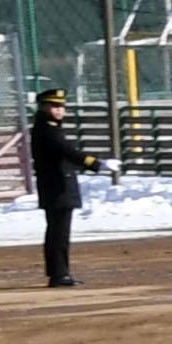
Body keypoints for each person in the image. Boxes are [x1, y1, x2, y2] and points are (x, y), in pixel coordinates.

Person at [27, 85, 101, 287]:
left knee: (58, 232)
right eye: (54, 106)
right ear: (43, 107)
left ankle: (60, 272)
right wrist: (94, 163)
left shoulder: (49, 127)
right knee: (59, 234)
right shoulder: (47, 129)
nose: (59, 110)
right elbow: (66, 150)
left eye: (61, 106)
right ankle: (59, 274)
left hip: (57, 187)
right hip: (56, 187)